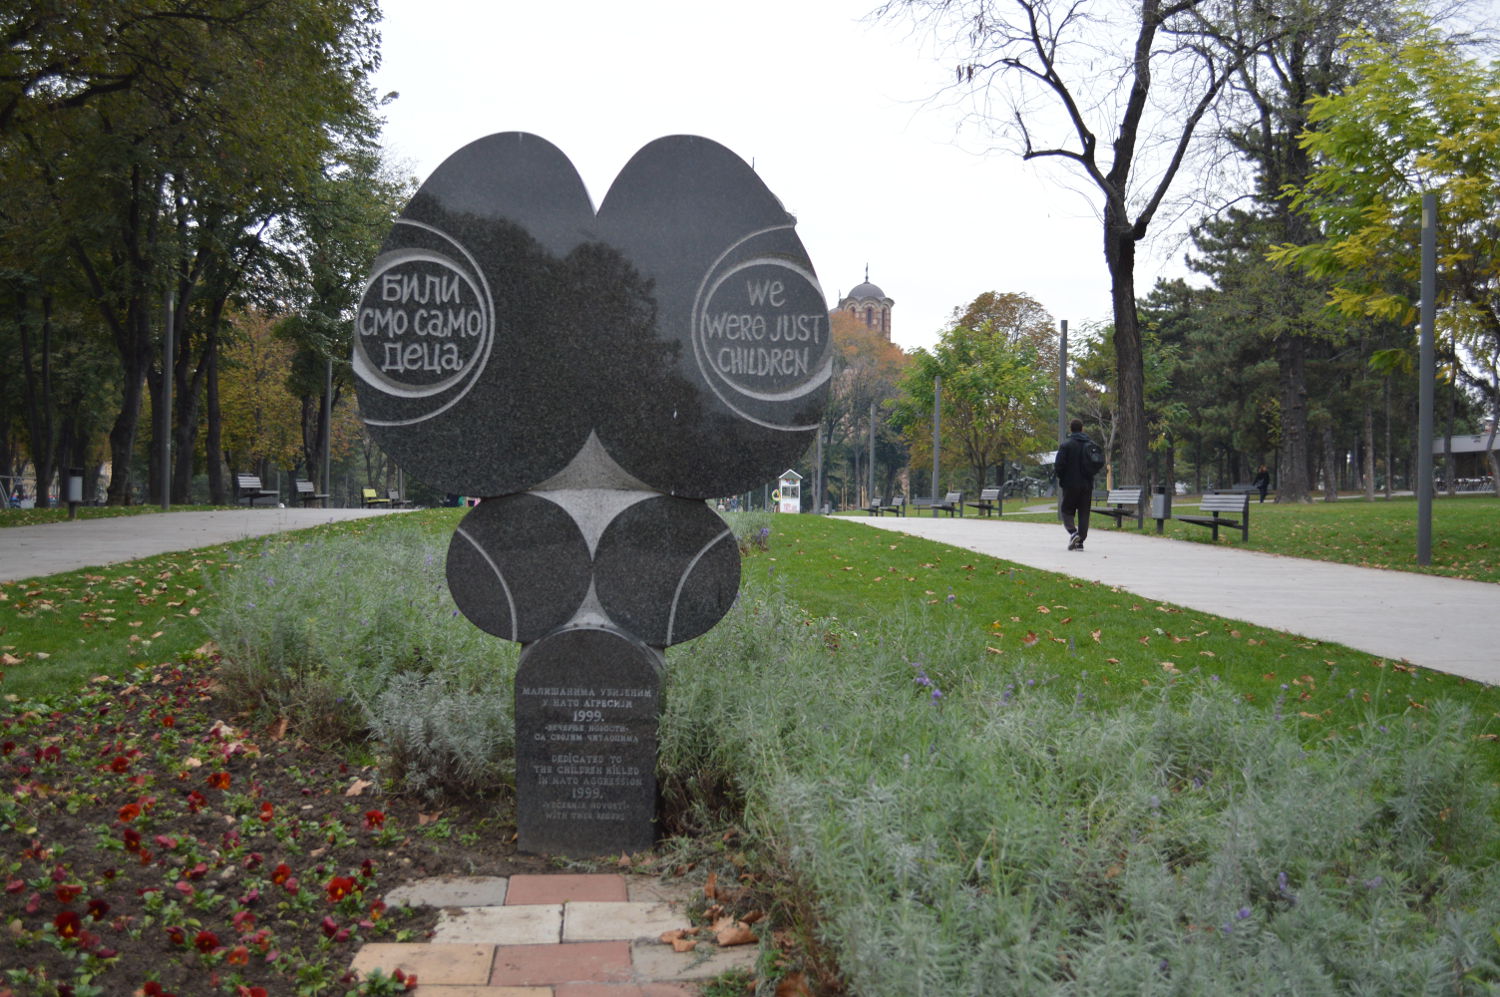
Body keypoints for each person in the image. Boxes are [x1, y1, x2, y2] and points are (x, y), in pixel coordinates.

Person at [1054, 419, 1099, 551]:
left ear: (1071, 429)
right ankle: (1080, 541)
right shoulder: (1091, 445)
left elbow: (1059, 465)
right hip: (1087, 485)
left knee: (1067, 511)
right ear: (1082, 428)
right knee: (1084, 513)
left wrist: (1062, 478)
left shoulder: (1066, 445)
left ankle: (1073, 533)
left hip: (1070, 484)